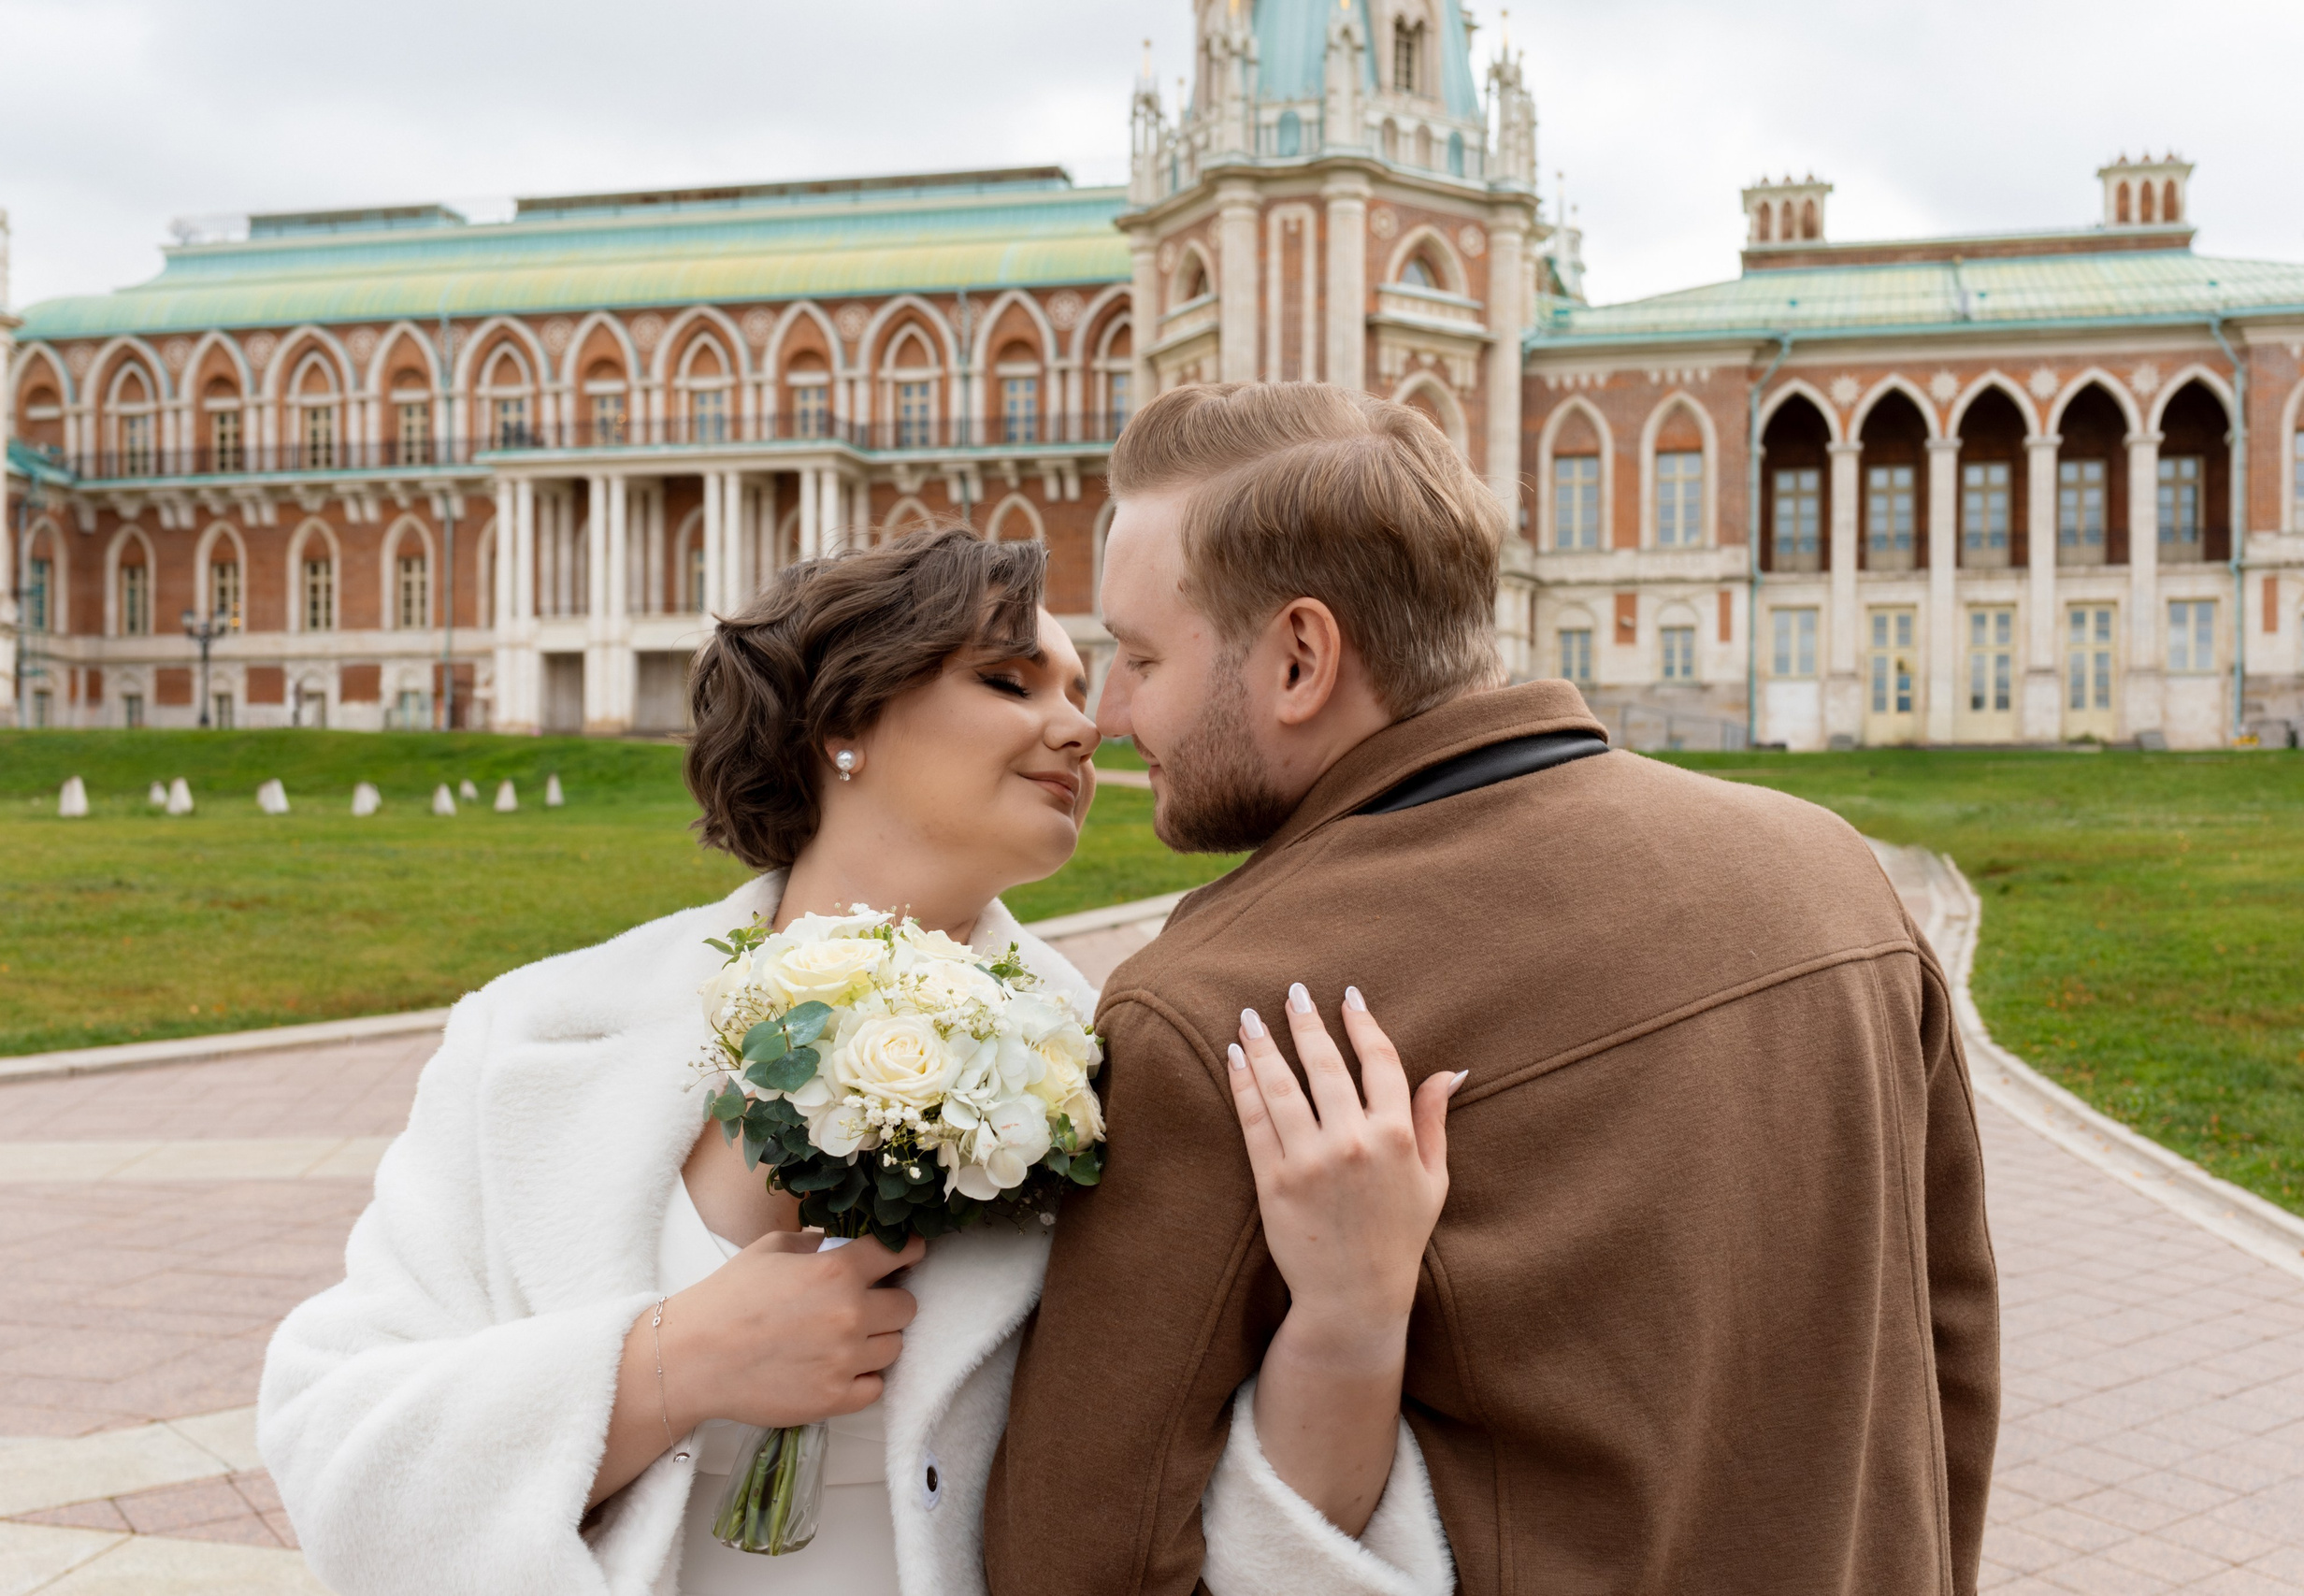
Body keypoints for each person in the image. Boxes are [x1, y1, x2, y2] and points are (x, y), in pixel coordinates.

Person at [257, 527, 1457, 1596]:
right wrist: (668, 1365)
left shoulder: (1124, 1073)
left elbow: (1214, 1524)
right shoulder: (532, 1034)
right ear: (842, 724)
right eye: (1008, 679)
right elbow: (335, 1436)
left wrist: (1351, 1317)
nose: (1084, 730)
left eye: (1085, 690)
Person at [985, 384, 2003, 1596]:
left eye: (1142, 656)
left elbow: (1076, 1561)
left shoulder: (1221, 1013)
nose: (1108, 713)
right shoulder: (1835, 877)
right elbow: (1953, 1361)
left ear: (1301, 656)